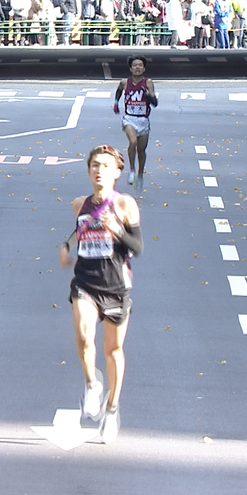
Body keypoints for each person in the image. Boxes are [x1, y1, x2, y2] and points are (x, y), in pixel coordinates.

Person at [58, 145, 143, 444]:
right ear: (88, 170)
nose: (99, 170)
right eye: (95, 165)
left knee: (113, 351)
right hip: (85, 282)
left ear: (117, 172)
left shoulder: (125, 205)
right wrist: (66, 246)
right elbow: (81, 229)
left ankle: (111, 408)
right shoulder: (79, 204)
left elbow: (137, 247)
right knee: (84, 336)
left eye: (105, 166)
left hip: (116, 286)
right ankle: (92, 384)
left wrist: (116, 229)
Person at [113, 56, 158, 193]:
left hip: (143, 120)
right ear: (130, 68)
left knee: (141, 150)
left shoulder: (148, 82)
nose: (137, 67)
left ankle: (140, 173)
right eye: (135, 65)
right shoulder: (124, 82)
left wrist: (148, 95)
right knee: (132, 142)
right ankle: (132, 170)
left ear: (144, 68)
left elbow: (155, 103)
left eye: (140, 65)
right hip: (129, 119)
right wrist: (116, 103)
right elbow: (118, 92)